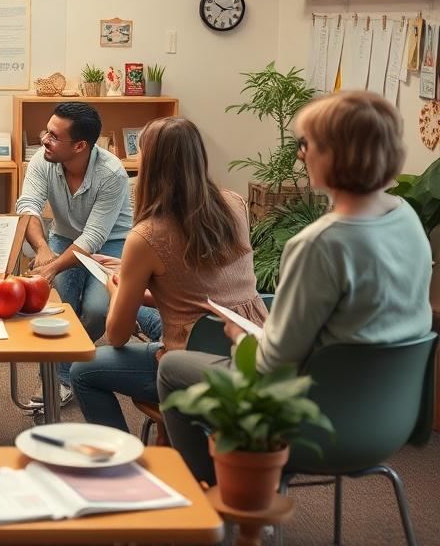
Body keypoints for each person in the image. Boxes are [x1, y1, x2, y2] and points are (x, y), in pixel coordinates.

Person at [158, 91, 432, 484]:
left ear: (334, 154)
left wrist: (240, 336)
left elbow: (272, 364)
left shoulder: (320, 244)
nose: (300, 156)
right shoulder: (405, 218)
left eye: (305, 144)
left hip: (313, 420)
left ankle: (213, 499)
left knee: (171, 367)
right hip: (389, 422)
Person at [69, 118, 268, 430]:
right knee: (154, 320)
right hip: (253, 354)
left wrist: (117, 289)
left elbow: (118, 336)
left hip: (192, 366)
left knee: (82, 371)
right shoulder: (235, 204)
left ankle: (123, 465)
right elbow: (198, 288)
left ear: (151, 165)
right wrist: (138, 280)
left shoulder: (148, 235)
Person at [16, 101, 159, 401]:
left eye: (55, 136)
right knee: (61, 307)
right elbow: (27, 206)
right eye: (47, 131)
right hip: (63, 237)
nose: (45, 140)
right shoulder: (43, 160)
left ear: (80, 145)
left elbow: (94, 236)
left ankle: (68, 368)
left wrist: (52, 268)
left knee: (95, 311)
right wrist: (42, 250)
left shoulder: (112, 173)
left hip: (111, 242)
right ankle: (62, 377)